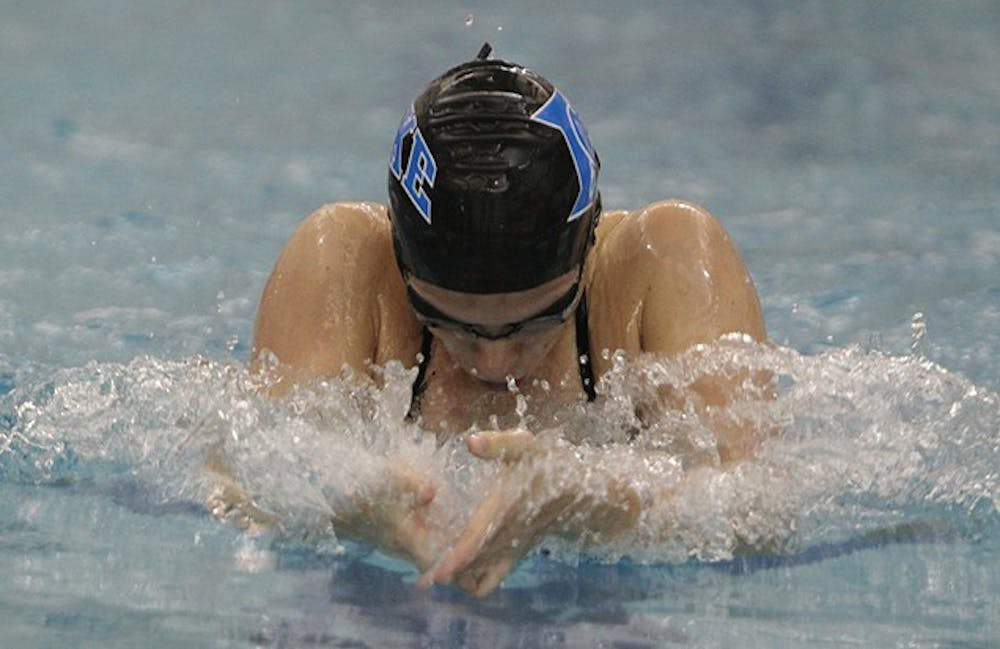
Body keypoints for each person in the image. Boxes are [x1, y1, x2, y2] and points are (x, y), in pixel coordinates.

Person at [244, 45, 768, 596]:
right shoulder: (342, 261)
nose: (493, 360)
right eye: (449, 322)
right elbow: (236, 478)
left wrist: (592, 496)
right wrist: (335, 501)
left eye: (537, 321)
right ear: (399, 257)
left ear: (589, 243)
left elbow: (758, 511)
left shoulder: (665, 260)